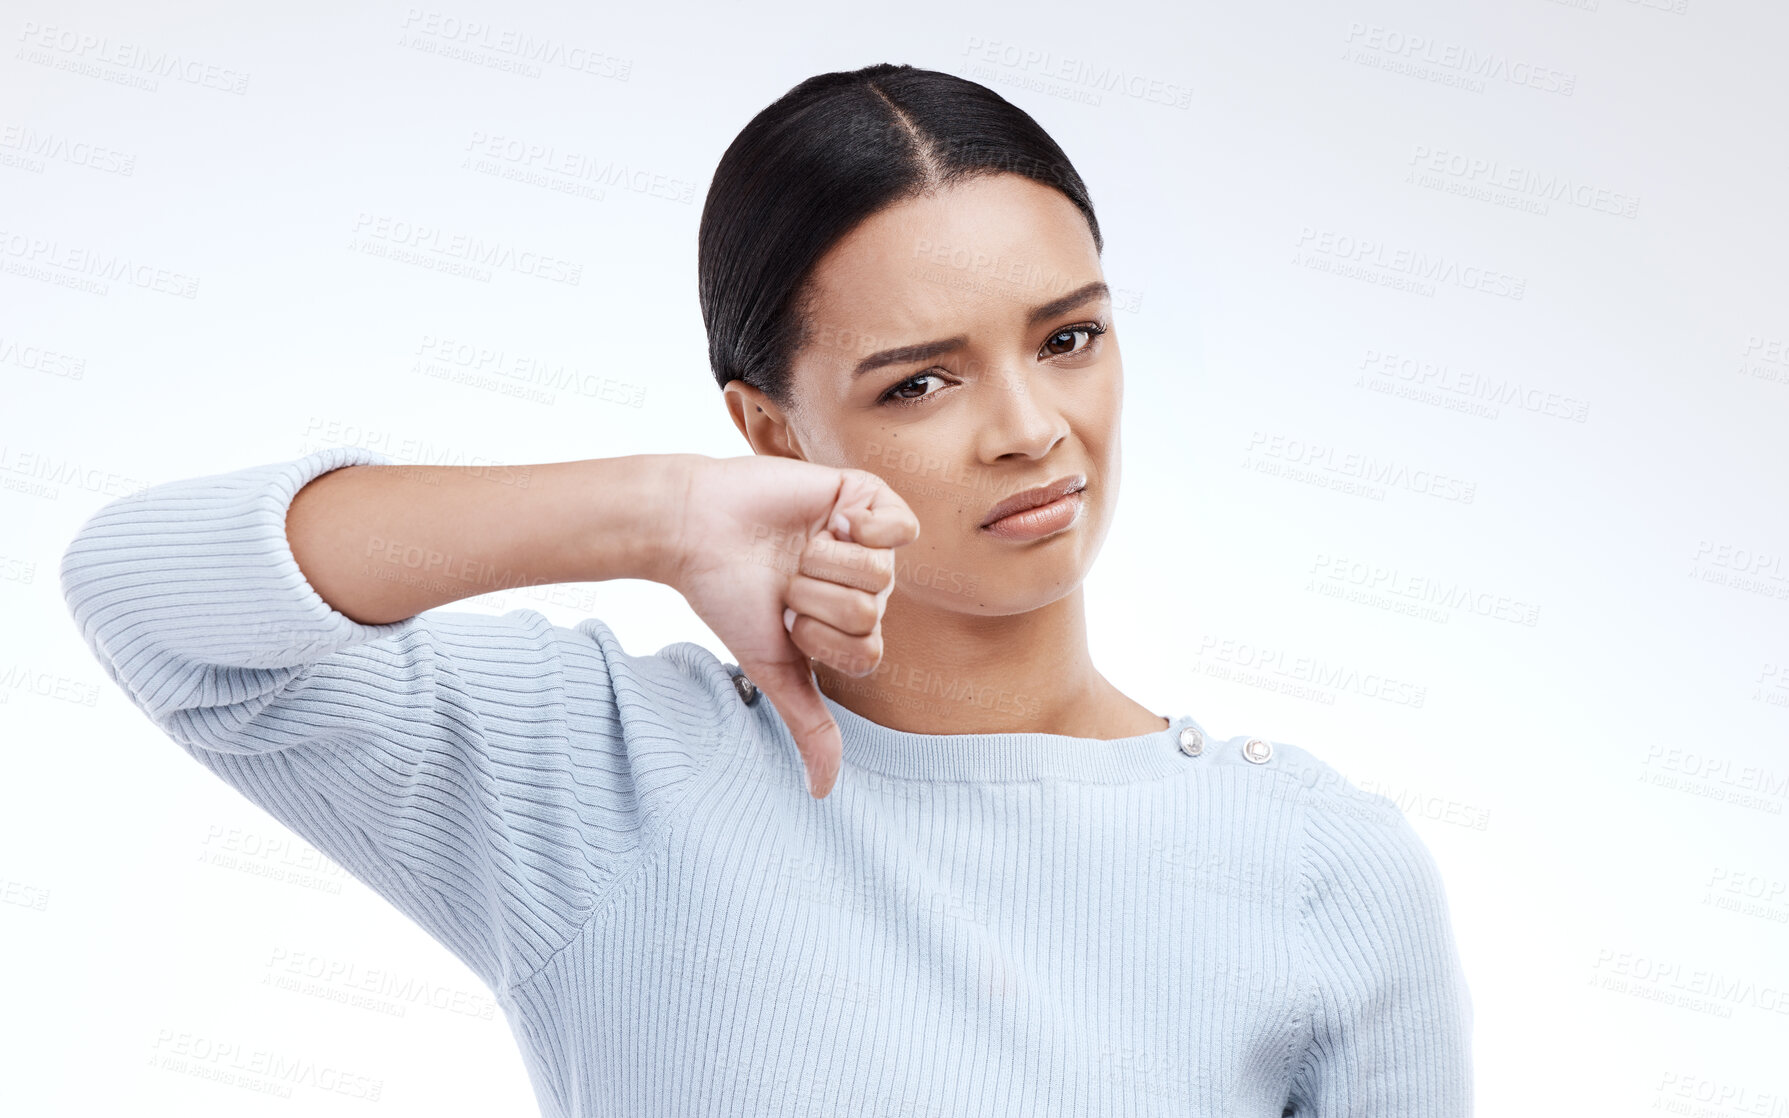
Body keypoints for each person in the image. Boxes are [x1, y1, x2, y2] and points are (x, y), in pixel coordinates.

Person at [59, 62, 1473, 1116]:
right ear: (767, 427)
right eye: (918, 377)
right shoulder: (601, 778)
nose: (1029, 426)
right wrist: (652, 513)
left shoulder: (1317, 868)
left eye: (1066, 336)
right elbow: (147, 595)